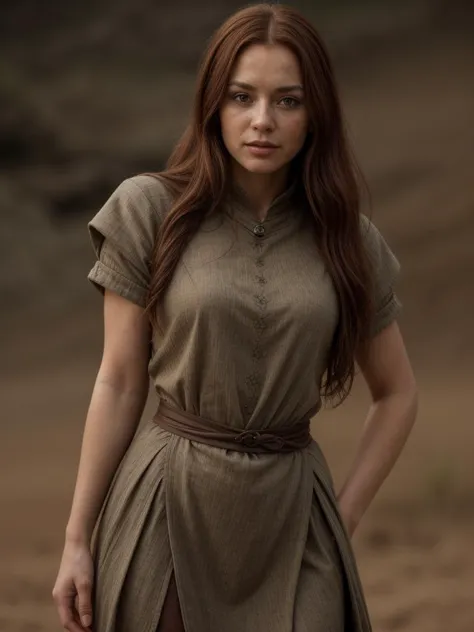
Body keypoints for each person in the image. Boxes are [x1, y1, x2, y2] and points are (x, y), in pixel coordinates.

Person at [52, 3, 418, 631]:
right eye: (241, 96)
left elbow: (398, 393)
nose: (261, 121)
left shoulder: (347, 240)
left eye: (287, 101)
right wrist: (77, 539)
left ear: (315, 115)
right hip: (168, 504)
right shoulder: (149, 210)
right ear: (212, 105)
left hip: (294, 515)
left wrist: (343, 518)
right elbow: (118, 380)